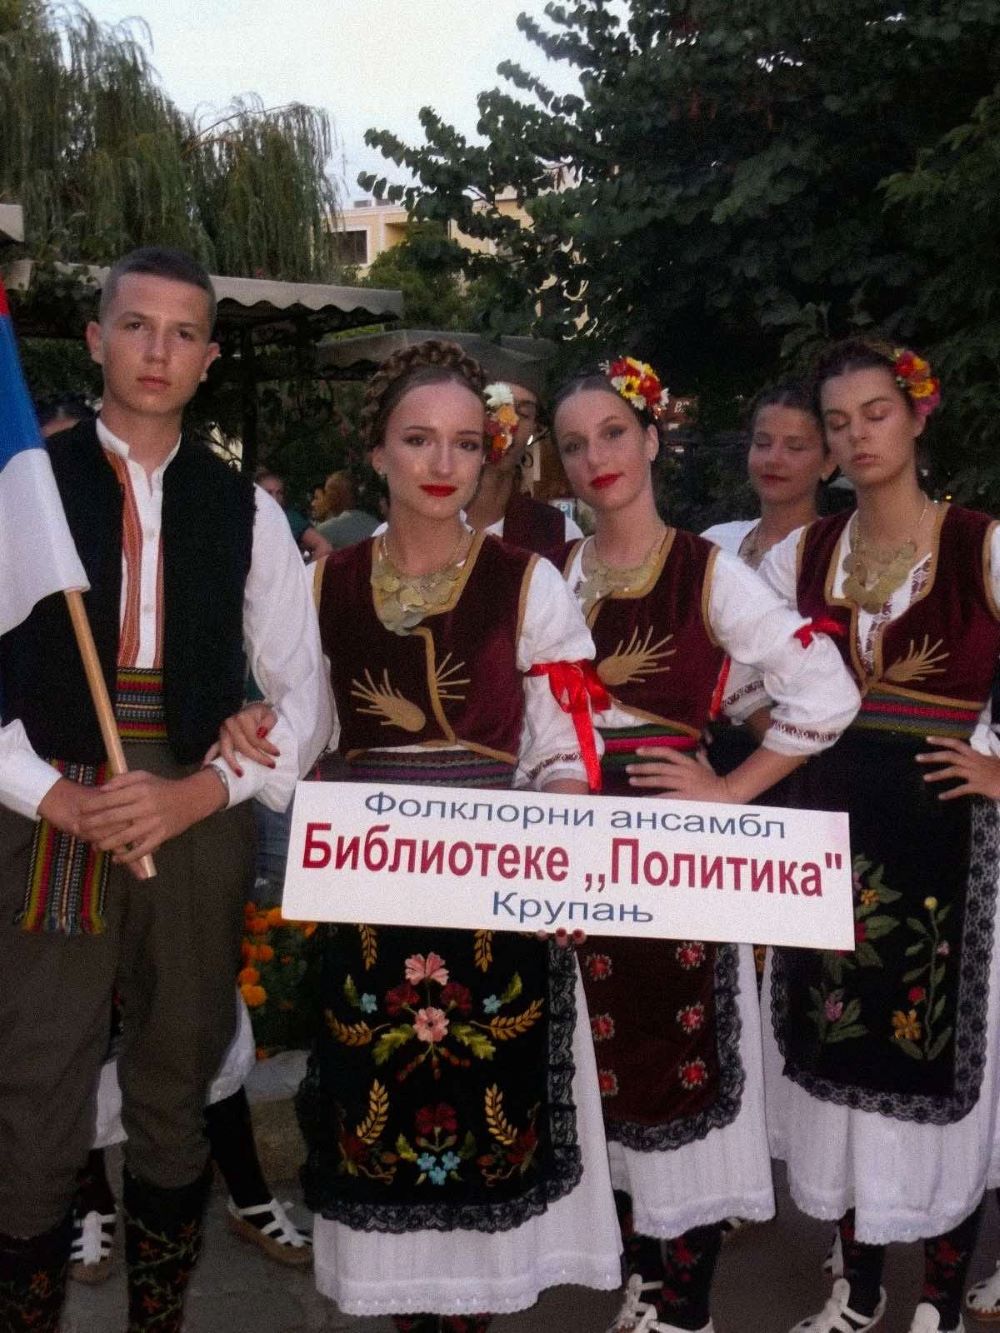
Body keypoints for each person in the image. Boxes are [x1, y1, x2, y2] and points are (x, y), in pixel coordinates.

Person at [220, 338, 621, 1332]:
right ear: (378, 453)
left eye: (465, 443)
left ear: (488, 457)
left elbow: (561, 748)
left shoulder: (528, 582)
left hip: (495, 904)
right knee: (383, 1132)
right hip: (373, 906)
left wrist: (563, 857)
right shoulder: (323, 584)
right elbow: (304, 733)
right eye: (417, 439)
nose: (443, 463)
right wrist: (252, 727)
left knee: (483, 1137)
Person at [0, 245, 331, 1331]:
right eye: (137, 325)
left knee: (177, 1074)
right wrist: (48, 794)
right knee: (33, 1080)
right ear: (95, 338)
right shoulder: (24, 488)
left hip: (192, 808)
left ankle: (157, 1320)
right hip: (48, 810)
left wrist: (204, 790)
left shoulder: (244, 510)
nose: (158, 350)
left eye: (183, 332)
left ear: (208, 358)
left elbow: (305, 697)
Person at [551, 355, 860, 1333]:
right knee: (605, 1065)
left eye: (612, 432)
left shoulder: (708, 571)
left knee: (680, 1058)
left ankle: (687, 1310)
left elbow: (825, 691)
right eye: (573, 443)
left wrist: (727, 787)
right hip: (583, 850)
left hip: (676, 854)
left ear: (651, 438)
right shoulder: (556, 574)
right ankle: (647, 1279)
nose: (596, 456)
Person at [755, 339, 1000, 1333]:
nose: (857, 436)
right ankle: (855, 1290)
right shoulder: (798, 557)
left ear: (918, 414)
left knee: (939, 1060)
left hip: (950, 851)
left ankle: (938, 1299)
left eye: (876, 413)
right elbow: (737, 680)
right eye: (838, 422)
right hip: (828, 846)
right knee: (840, 1064)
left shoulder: (982, 545)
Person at [702, 381, 835, 567]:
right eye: (762, 443)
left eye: (794, 447)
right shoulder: (714, 545)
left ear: (829, 463)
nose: (773, 459)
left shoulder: (839, 556)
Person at [462, 355, 583, 559]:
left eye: (524, 413)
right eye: (495, 406)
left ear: (535, 428)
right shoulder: (427, 519)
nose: (509, 423)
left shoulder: (559, 533)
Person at [256, 467, 333, 562]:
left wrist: (304, 570)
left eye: (279, 493)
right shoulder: (246, 518)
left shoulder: (290, 519)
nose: (274, 498)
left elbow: (324, 547)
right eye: (268, 492)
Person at [312, 469, 379, 548]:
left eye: (327, 493)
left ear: (335, 497)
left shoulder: (325, 530)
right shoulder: (374, 523)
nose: (312, 503)